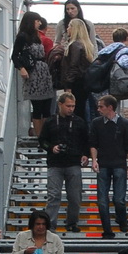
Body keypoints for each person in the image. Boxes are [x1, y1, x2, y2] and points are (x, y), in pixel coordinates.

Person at [39, 91, 91, 233]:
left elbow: (86, 141)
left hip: (73, 163)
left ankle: (72, 222)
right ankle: (51, 226)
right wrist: (51, 148)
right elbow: (42, 140)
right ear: (60, 105)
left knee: (75, 197)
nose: (71, 109)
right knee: (53, 196)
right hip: (55, 164)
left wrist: (85, 155)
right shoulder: (50, 121)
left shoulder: (79, 122)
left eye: (73, 106)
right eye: (68, 106)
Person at [86, 94, 128, 237]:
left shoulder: (124, 124)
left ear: (110, 107)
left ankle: (122, 221)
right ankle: (107, 230)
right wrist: (94, 160)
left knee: (119, 199)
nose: (98, 109)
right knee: (102, 201)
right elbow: (93, 143)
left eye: (101, 106)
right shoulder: (96, 123)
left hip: (119, 164)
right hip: (103, 164)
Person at [14, 11, 55, 138]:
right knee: (37, 107)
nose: (39, 23)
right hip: (33, 73)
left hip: (43, 72)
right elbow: (15, 55)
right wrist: (21, 68)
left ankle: (46, 135)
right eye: (37, 21)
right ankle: (39, 136)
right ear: (31, 21)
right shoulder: (22, 36)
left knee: (47, 107)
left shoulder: (36, 36)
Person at [53, 18, 97, 114]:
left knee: (73, 111)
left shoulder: (74, 45)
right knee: (81, 109)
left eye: (69, 26)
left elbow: (73, 66)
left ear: (75, 29)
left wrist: (68, 85)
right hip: (82, 83)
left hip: (75, 84)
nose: (67, 29)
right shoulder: (86, 45)